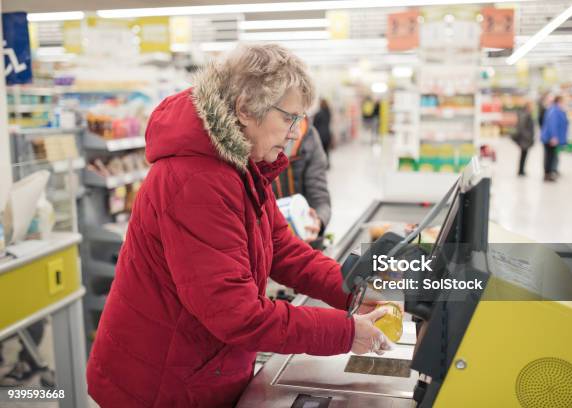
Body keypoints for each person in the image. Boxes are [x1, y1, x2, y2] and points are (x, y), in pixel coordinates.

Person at [86, 44, 392, 408]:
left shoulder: (239, 165)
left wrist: (355, 291)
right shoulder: (197, 180)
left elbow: (283, 248)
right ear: (246, 109)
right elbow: (236, 313)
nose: (295, 134)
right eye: (288, 118)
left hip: (199, 367)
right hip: (160, 384)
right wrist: (345, 332)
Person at [272, 117, 331, 246]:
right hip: (270, 243)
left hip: (304, 240)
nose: (296, 134)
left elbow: (321, 200)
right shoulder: (260, 143)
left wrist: (317, 221)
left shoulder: (310, 138)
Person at [540, 96, 568, 182]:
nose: (564, 104)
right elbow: (553, 124)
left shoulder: (554, 110)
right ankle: (549, 174)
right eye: (563, 102)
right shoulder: (555, 111)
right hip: (551, 139)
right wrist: (554, 137)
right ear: (559, 101)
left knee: (550, 156)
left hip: (551, 138)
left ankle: (549, 173)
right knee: (550, 156)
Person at [512, 102, 535, 176]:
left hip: (525, 138)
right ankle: (521, 170)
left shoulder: (524, 114)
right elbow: (522, 128)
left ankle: (521, 170)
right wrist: (527, 136)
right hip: (525, 139)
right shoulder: (525, 115)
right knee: (523, 154)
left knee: (523, 154)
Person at [313, 98, 332, 163]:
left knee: (321, 150)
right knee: (327, 150)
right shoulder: (328, 113)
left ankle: (323, 163)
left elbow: (314, 124)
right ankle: (327, 163)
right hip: (328, 134)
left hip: (321, 135)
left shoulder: (318, 114)